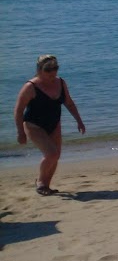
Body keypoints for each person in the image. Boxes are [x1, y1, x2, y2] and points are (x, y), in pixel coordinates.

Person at [14, 55, 85, 195]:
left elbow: (69, 103)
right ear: (40, 69)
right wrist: (20, 132)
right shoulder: (30, 87)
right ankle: (40, 182)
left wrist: (79, 121)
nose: (53, 73)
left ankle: (46, 186)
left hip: (54, 124)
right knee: (51, 154)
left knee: (56, 156)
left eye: (55, 69)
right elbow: (18, 110)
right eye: (48, 70)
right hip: (33, 125)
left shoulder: (60, 83)